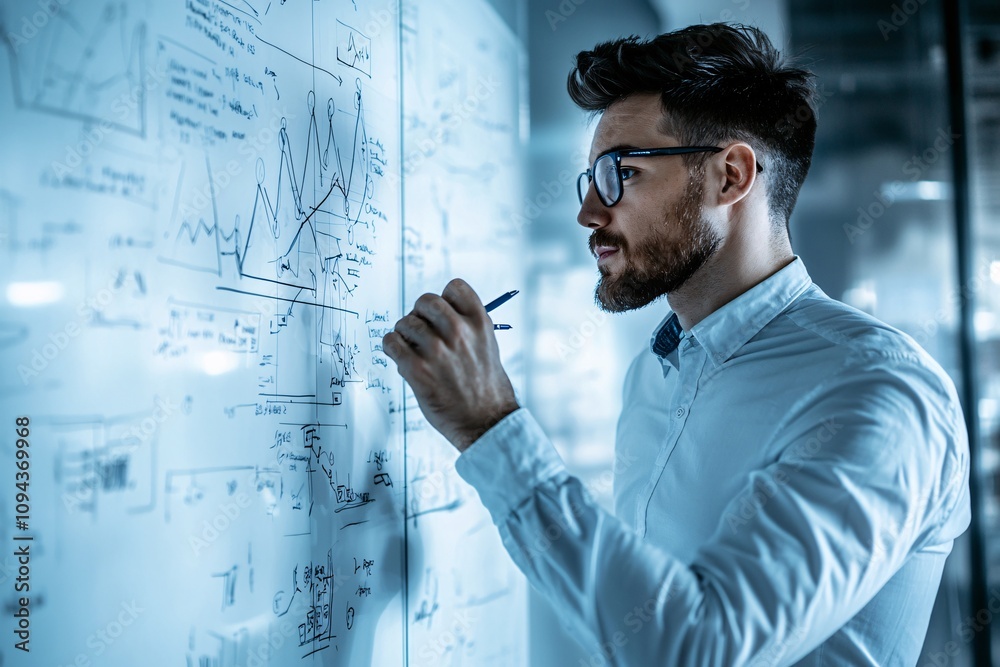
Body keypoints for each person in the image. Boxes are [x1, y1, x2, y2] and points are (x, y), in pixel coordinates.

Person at [382, 22, 971, 666]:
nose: (589, 214)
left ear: (730, 175)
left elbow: (696, 650)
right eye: (590, 181)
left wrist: (493, 430)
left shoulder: (878, 391)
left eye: (622, 173)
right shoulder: (654, 375)